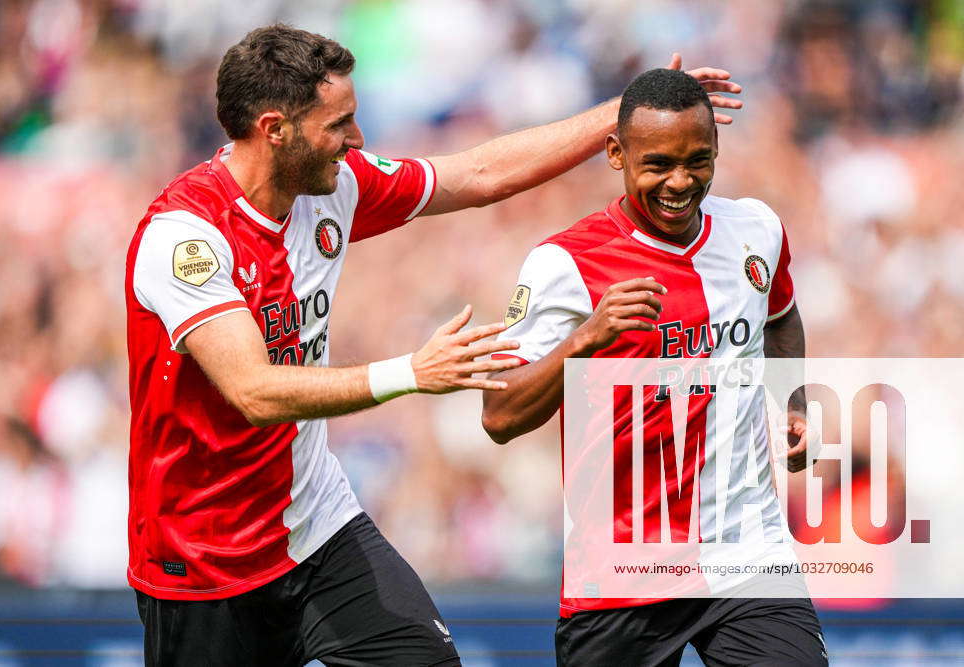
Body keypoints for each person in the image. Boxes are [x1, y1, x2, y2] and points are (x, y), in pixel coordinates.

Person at [125, 24, 740, 666]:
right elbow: (253, 391)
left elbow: (479, 174)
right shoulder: (185, 240)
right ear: (275, 129)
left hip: (316, 527)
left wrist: (626, 115)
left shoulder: (334, 188)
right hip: (201, 561)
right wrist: (412, 372)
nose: (357, 140)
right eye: (338, 125)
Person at [482, 68, 827, 666]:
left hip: (746, 552)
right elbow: (499, 414)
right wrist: (586, 339)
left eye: (698, 161)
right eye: (659, 163)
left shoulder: (755, 231)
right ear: (616, 153)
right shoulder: (563, 264)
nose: (680, 181)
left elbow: (781, 317)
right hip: (621, 569)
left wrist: (789, 401)